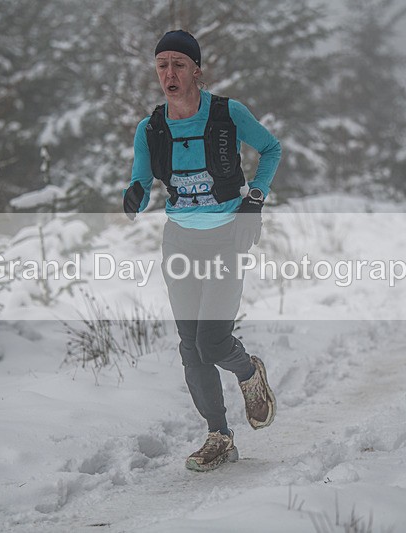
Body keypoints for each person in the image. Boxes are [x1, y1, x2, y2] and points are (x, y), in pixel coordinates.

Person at [123, 29, 281, 472]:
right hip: (180, 241)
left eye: (178, 64)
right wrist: (133, 193)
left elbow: (270, 148)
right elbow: (140, 177)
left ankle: (248, 372)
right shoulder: (151, 128)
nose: (169, 73)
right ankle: (219, 436)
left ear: (196, 69)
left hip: (227, 236)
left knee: (212, 340)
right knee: (190, 347)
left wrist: (256, 198)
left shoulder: (228, 113)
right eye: (162, 65)